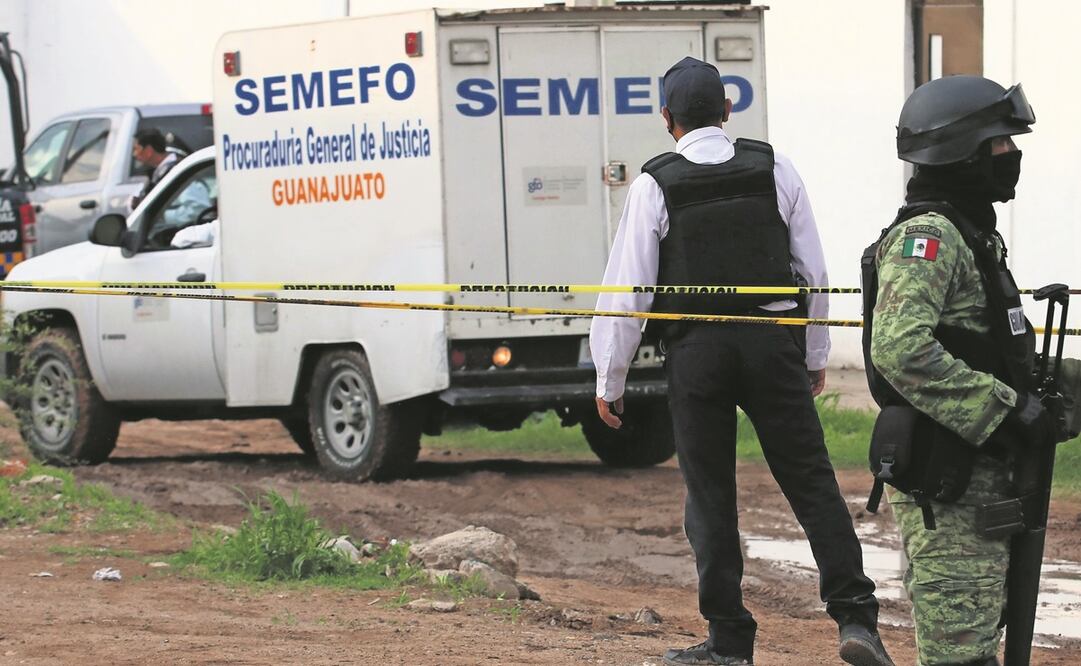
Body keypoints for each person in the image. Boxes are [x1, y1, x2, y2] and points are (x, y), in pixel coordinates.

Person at [589, 56, 892, 666]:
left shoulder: (655, 184)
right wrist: (812, 354)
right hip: (770, 342)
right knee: (811, 483)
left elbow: (629, 291)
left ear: (667, 119)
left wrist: (610, 376)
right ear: (728, 110)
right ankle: (857, 620)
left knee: (710, 495)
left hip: (697, 352)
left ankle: (728, 640)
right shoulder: (774, 168)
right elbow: (813, 272)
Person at [866, 75, 1045, 665]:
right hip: (950, 484)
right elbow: (898, 348)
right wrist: (1006, 408)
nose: (1011, 156)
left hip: (982, 479)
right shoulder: (929, 237)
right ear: (962, 152)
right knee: (958, 655)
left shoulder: (973, 236)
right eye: (999, 144)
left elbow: (984, 347)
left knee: (981, 643)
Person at [129, 127, 178, 211]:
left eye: (137, 149)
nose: (135, 154)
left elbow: (191, 210)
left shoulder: (176, 170)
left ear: (149, 151)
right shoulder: (156, 173)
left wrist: (162, 217)